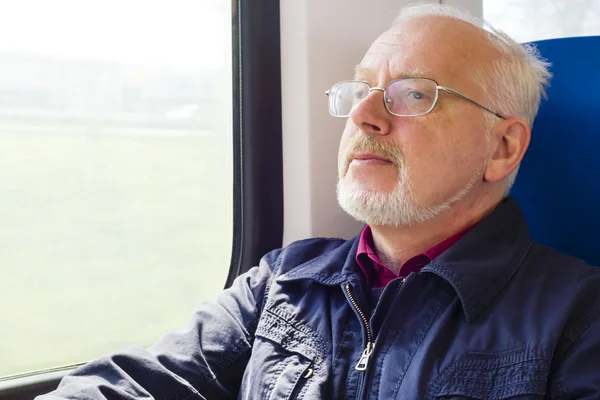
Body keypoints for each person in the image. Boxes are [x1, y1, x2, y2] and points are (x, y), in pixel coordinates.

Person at [40, 4, 600, 399]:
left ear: (502, 148)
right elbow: (132, 385)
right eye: (360, 91)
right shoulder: (280, 282)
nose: (364, 115)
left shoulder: (578, 319)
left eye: (413, 94)